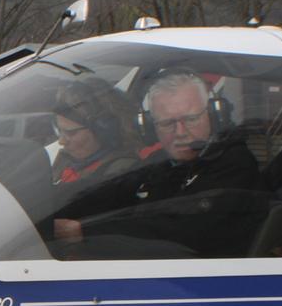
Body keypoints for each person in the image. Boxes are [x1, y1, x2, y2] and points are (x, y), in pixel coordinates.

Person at [53, 69, 262, 257]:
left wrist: (86, 232)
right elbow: (110, 189)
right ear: (150, 129)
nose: (180, 132)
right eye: (167, 123)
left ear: (214, 116)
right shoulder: (161, 164)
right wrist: (49, 208)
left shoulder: (234, 163)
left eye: (191, 119)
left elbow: (180, 229)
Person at [49, 77, 143, 184]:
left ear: (104, 130)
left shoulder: (121, 171)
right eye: (59, 131)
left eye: (71, 133)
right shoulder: (64, 161)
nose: (61, 142)